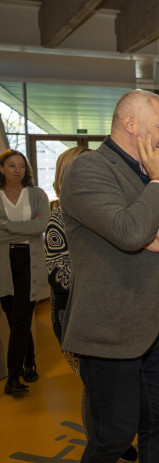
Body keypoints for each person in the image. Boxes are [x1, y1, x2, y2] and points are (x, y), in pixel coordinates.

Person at [59, 89, 159, 462]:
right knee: (113, 435)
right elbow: (129, 232)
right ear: (130, 124)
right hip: (111, 330)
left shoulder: (150, 174)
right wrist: (158, 183)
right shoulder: (89, 169)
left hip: (157, 325)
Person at [45, 146, 138, 462]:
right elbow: (59, 273)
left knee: (107, 382)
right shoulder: (57, 216)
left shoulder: (96, 209)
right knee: (92, 384)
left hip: (104, 307)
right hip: (73, 312)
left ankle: (113, 438)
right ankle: (99, 443)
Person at [0, 149, 49, 396]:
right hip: (3, 264)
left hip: (30, 262)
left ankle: (13, 379)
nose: (18, 170)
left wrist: (6, 226)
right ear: (1, 169)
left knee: (20, 320)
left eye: (21, 165)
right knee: (15, 320)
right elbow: (34, 227)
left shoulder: (37, 194)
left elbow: (42, 225)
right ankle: (30, 361)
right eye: (11, 165)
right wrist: (27, 229)